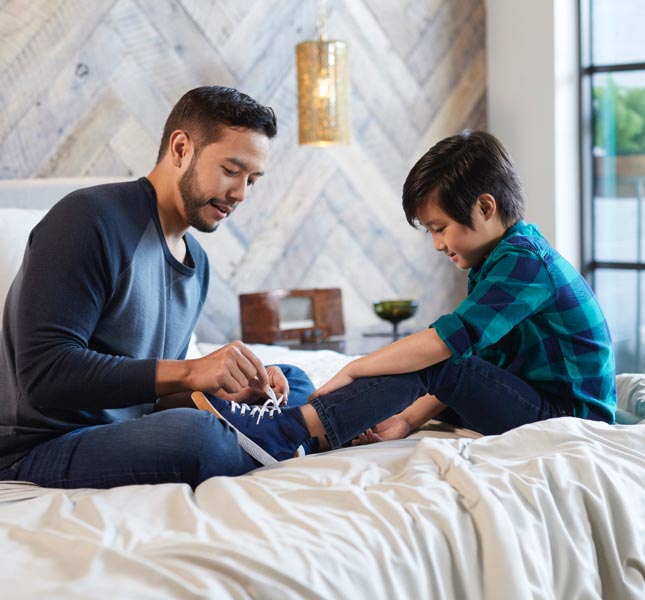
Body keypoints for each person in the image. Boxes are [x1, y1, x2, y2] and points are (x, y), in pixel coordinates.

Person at [196, 129, 617, 463]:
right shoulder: (496, 260)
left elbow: (443, 348)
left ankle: (288, 432)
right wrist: (405, 421)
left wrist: (357, 367)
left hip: (573, 422)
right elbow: (476, 363)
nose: (437, 244)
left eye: (440, 227)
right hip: (538, 402)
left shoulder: (526, 264)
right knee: (431, 367)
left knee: (434, 359)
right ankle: (310, 427)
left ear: (486, 208)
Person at [0, 86, 315, 488]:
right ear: (181, 148)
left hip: (129, 430)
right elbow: (45, 374)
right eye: (231, 171)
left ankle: (271, 430)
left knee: (291, 378)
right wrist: (192, 372)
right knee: (200, 440)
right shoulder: (88, 219)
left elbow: (152, 397)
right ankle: (290, 435)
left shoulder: (196, 262)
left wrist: (228, 392)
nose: (240, 194)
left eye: (252, 179)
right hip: (44, 444)